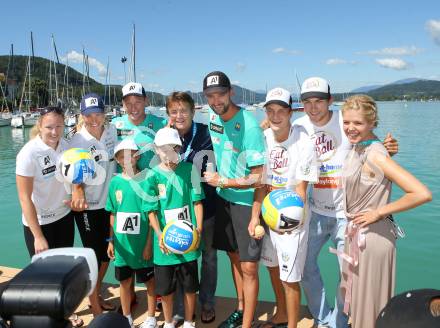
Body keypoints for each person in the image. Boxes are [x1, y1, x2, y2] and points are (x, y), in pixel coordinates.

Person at [294, 77, 398, 328]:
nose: (313, 107)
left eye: (319, 101)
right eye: (307, 101)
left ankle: (339, 321)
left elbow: (372, 144)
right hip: (316, 212)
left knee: (347, 277)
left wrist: (388, 148)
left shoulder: (346, 122)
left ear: (330, 101)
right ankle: (322, 316)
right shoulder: (298, 125)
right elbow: (276, 131)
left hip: (347, 216)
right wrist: (265, 123)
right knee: (304, 267)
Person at [339, 94, 432, 328]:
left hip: (372, 238)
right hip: (360, 233)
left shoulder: (374, 154)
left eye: (358, 123)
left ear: (372, 123)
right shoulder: (360, 147)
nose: (350, 128)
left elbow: (421, 193)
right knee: (361, 303)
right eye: (347, 122)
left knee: (371, 305)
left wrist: (378, 212)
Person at [202, 71, 266, 328]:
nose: (216, 100)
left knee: (249, 268)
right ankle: (240, 309)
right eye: (210, 96)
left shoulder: (249, 126)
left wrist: (224, 181)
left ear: (231, 93)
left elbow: (258, 177)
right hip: (223, 200)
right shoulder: (211, 116)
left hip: (246, 202)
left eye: (220, 94)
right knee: (234, 258)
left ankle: (247, 324)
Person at [254, 88, 318, 328]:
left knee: (290, 278)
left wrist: (290, 221)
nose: (276, 116)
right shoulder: (263, 138)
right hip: (268, 213)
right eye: (270, 111)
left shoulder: (304, 141)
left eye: (281, 111)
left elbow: (301, 190)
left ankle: (291, 324)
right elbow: (260, 180)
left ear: (291, 112)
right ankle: (280, 314)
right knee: (272, 267)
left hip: (292, 216)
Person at [15, 106, 83, 327]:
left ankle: (63, 309)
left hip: (64, 217)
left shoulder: (66, 145)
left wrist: (76, 191)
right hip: (40, 223)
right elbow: (24, 198)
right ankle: (45, 314)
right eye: (49, 127)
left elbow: (76, 174)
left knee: (63, 268)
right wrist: (37, 236)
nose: (54, 132)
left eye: (59, 126)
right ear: (39, 126)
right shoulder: (28, 153)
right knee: (43, 274)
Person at [110, 81, 167, 311]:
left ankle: (161, 296)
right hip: (125, 190)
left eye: (138, 101)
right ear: (123, 104)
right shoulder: (114, 124)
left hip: (154, 192)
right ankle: (130, 298)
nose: (134, 106)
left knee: (151, 245)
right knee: (128, 245)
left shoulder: (160, 123)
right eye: (129, 102)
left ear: (146, 101)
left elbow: (179, 132)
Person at [143, 127, 204, 328]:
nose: (168, 152)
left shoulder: (190, 170)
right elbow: (151, 211)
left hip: (187, 241)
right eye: (163, 149)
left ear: (179, 148)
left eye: (173, 148)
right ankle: (168, 322)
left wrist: (198, 230)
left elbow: (197, 203)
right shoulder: (151, 175)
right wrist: (160, 235)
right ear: (156, 150)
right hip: (165, 246)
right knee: (166, 290)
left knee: (189, 287)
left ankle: (188, 321)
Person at [165, 92, 218, 324]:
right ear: (168, 114)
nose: (179, 115)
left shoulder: (206, 133)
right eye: (174, 111)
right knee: (179, 257)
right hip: (177, 208)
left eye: (183, 110)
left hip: (206, 204)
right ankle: (180, 309)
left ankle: (207, 303)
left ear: (192, 112)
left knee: (208, 256)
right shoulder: (165, 137)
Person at [69, 93, 117, 316]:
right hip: (87, 207)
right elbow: (68, 172)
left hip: (109, 205)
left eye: (98, 114)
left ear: (104, 113)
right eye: (89, 115)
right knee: (93, 255)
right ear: (82, 116)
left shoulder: (112, 132)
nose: (94, 119)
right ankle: (95, 305)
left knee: (107, 254)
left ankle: (95, 294)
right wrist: (76, 189)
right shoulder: (77, 141)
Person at [106, 138, 157, 328]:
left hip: (143, 243)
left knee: (150, 282)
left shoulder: (148, 178)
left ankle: (151, 317)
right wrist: (110, 240)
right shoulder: (115, 182)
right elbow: (113, 213)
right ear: (117, 160)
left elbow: (153, 214)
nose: (126, 159)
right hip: (122, 246)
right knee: (125, 282)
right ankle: (126, 316)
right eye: (121, 156)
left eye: (130, 154)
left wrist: (149, 243)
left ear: (137, 156)